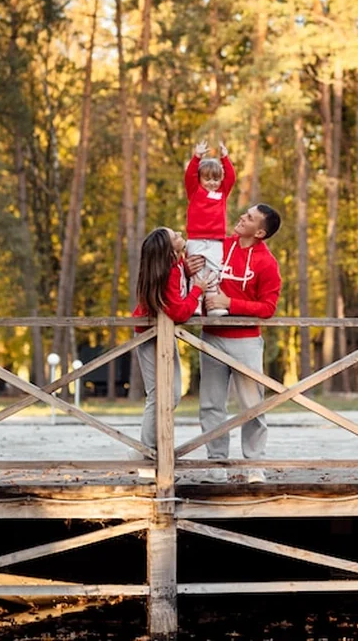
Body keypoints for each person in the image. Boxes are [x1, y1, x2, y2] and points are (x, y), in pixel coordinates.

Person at [187, 204, 282, 484]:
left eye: (250, 218)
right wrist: (186, 265)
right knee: (211, 404)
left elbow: (268, 308)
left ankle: (254, 465)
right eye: (245, 213)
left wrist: (230, 303)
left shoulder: (267, 263)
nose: (242, 217)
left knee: (252, 405)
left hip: (246, 342)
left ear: (261, 232)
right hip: (212, 338)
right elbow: (192, 270)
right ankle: (216, 463)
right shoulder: (219, 246)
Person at [132, 227, 210, 478]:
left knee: (172, 394)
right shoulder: (169, 272)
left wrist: (186, 272)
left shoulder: (174, 269)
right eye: (174, 236)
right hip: (150, 336)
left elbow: (173, 294)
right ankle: (147, 458)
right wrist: (198, 288)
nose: (179, 233)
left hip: (162, 335)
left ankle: (151, 452)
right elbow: (178, 312)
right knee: (159, 394)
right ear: (170, 249)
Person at [184, 139, 236, 316]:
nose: (212, 183)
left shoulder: (222, 193)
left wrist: (225, 158)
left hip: (215, 239)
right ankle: (195, 303)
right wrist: (197, 157)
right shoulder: (195, 192)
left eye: (216, 179)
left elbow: (231, 178)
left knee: (214, 269)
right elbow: (189, 175)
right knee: (196, 270)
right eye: (207, 179)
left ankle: (212, 303)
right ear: (199, 179)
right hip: (196, 238)